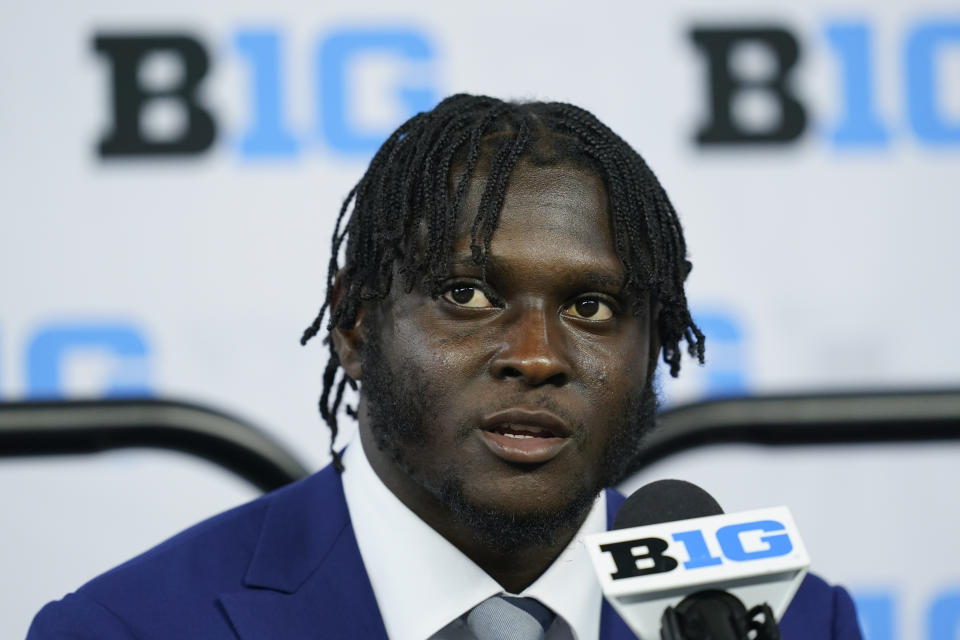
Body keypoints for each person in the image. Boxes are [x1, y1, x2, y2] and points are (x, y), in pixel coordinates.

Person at [28, 94, 862, 639]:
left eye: (592, 307)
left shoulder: (793, 622)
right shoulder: (130, 627)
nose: (537, 355)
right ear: (355, 325)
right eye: (466, 294)